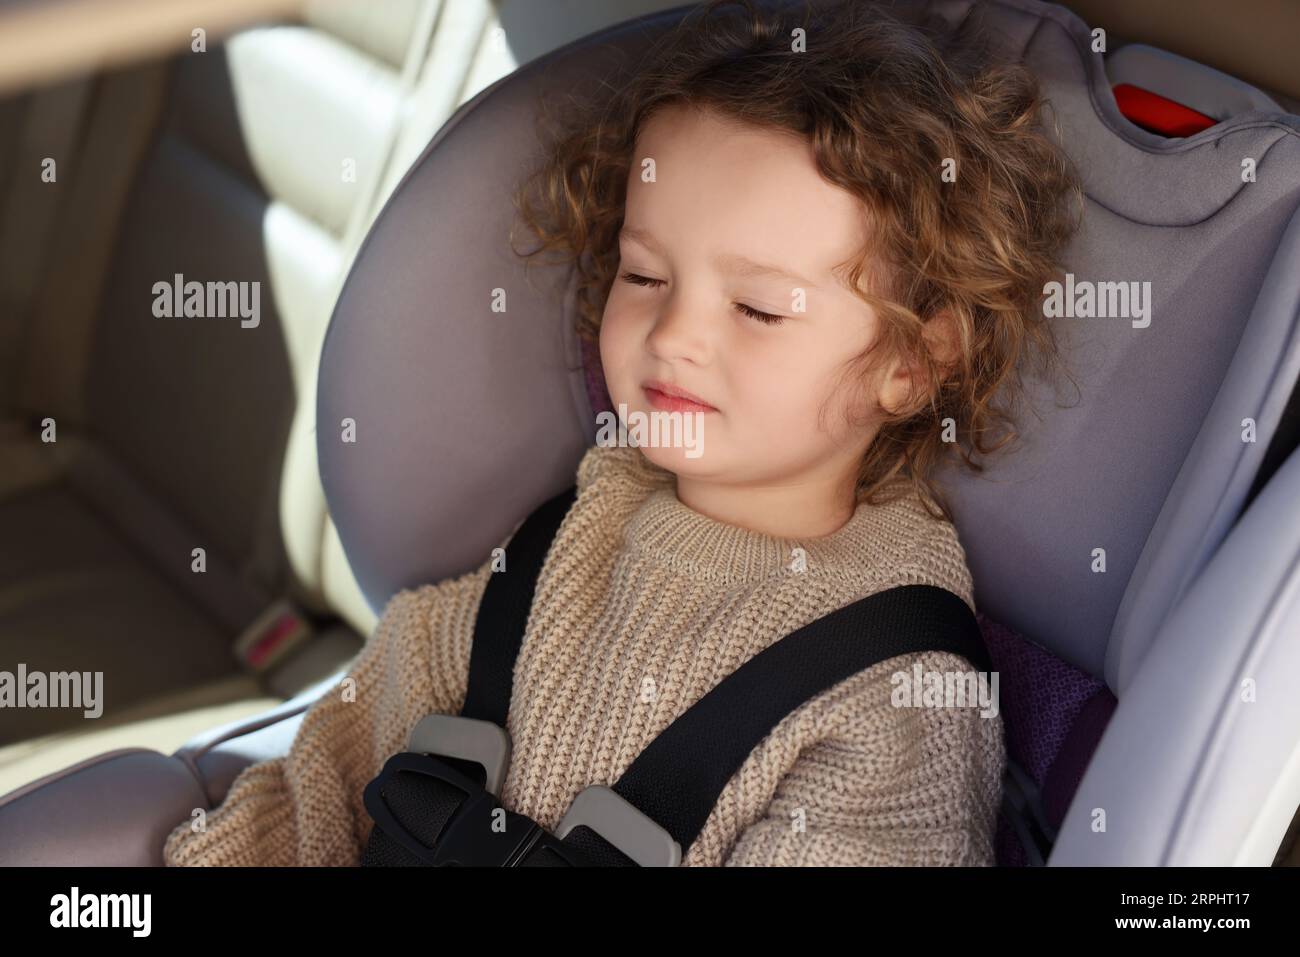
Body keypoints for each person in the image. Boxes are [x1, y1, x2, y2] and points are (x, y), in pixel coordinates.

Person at [164, 0, 1082, 867]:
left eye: (758, 308)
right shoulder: (567, 539)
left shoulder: (896, 697)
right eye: (644, 276)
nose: (674, 335)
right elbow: (335, 765)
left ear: (911, 364)